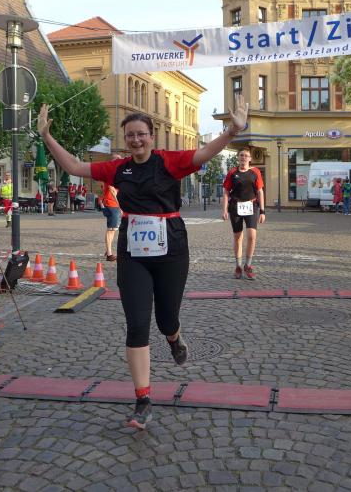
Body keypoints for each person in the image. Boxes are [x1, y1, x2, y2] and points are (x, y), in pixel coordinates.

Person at [38, 96, 248, 430]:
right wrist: (47, 137)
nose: (136, 140)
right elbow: (75, 167)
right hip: (133, 253)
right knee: (137, 323)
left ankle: (174, 338)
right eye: (130, 135)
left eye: (141, 134)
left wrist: (232, 132)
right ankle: (143, 400)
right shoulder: (118, 168)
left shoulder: (169, 161)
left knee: (166, 318)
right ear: (126, 139)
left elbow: (205, 153)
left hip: (171, 248)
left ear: (151, 136)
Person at [222, 148, 265, 279]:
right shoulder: (232, 172)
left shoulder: (255, 172)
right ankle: (238, 266)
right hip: (235, 207)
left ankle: (248, 265)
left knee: (252, 236)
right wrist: (224, 210)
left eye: (246, 156)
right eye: (241, 155)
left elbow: (260, 191)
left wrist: (262, 211)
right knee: (238, 237)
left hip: (251, 206)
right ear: (238, 157)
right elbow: (226, 192)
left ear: (250, 159)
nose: (243, 157)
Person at [102, 154, 123, 262]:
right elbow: (113, 190)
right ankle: (109, 254)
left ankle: (108, 248)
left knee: (113, 229)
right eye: (117, 160)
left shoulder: (115, 174)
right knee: (111, 229)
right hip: (111, 204)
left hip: (113, 204)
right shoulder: (110, 174)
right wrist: (120, 206)